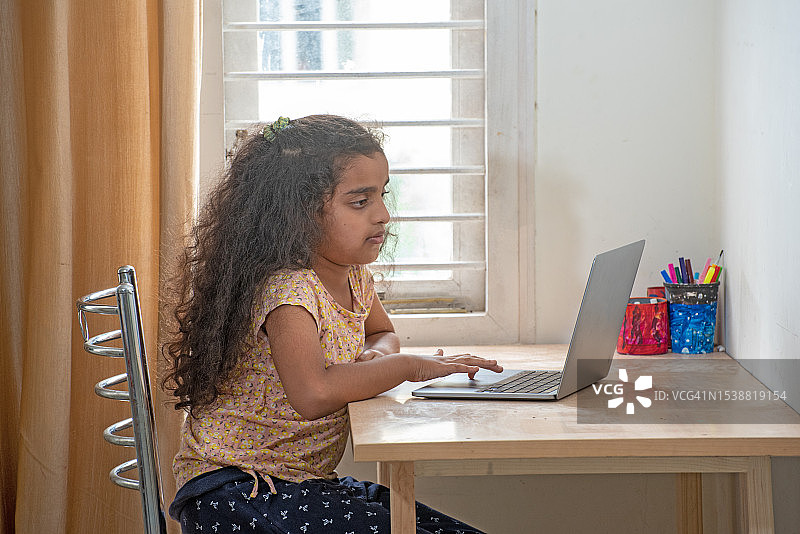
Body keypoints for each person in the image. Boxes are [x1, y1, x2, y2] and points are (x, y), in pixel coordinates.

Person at [162, 115, 504, 534]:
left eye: (383, 195)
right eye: (360, 202)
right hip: (237, 492)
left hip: (297, 483)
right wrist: (409, 367)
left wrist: (375, 358)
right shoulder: (289, 291)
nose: (383, 215)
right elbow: (314, 393)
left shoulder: (354, 275)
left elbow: (382, 333)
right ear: (298, 214)